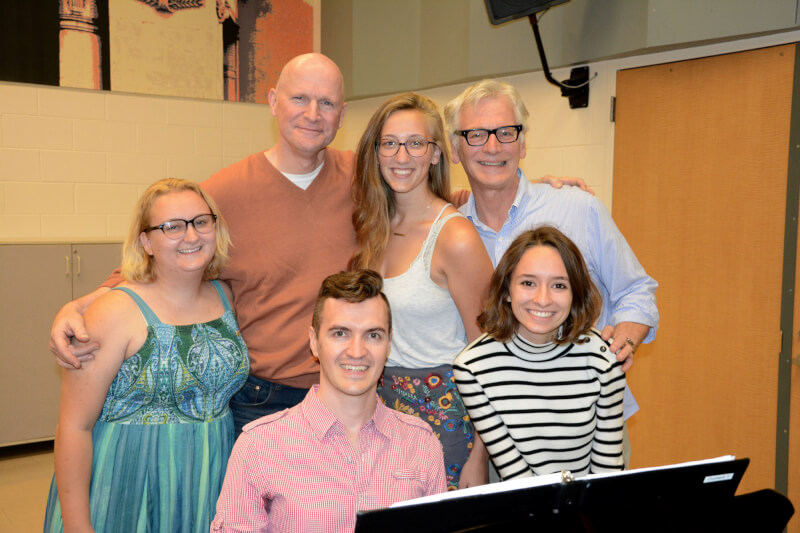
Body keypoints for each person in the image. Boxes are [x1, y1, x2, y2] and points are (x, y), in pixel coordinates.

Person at [48, 54, 589, 436]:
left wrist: (528, 186)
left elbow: (428, 199)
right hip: (263, 399)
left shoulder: (364, 175)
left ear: (342, 115)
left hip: (360, 390)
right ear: (273, 101)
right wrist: (85, 303)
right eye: (300, 99)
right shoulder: (224, 192)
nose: (312, 113)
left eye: (326, 102)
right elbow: (160, 255)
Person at [444, 80, 658, 437]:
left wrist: (625, 340)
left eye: (506, 132)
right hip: (494, 432)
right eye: (476, 134)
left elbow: (637, 289)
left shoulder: (578, 209)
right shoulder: (448, 234)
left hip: (590, 427)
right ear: (454, 148)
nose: (493, 146)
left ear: (523, 143)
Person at [43, 178, 249, 532]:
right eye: (172, 226)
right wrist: (78, 526)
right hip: (125, 484)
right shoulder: (113, 312)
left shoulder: (225, 296)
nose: (191, 236)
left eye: (201, 222)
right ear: (146, 242)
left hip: (207, 479)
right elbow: (74, 427)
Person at [211, 270, 446, 532]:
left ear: (388, 344)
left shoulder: (422, 444)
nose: (357, 352)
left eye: (373, 335)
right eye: (340, 333)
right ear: (314, 342)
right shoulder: (259, 446)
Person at [348, 93, 493, 490]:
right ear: (376, 152)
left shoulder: (455, 237)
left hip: (446, 417)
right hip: (382, 410)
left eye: (416, 143)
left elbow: (491, 355)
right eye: (390, 143)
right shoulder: (374, 228)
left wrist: (480, 457)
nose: (401, 156)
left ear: (435, 154)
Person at [454, 227, 625, 480]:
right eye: (528, 283)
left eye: (559, 285)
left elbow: (606, 473)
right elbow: (516, 476)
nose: (543, 299)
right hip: (525, 501)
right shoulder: (473, 368)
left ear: (575, 294)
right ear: (506, 291)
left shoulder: (603, 358)